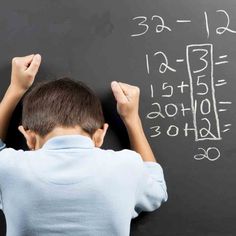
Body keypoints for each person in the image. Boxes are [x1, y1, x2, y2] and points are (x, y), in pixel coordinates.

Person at [0, 54, 167, 236]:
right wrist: (132, 120)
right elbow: (157, 188)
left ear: (29, 138)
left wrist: (15, 88)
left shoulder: (9, 168)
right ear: (99, 136)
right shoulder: (127, 165)